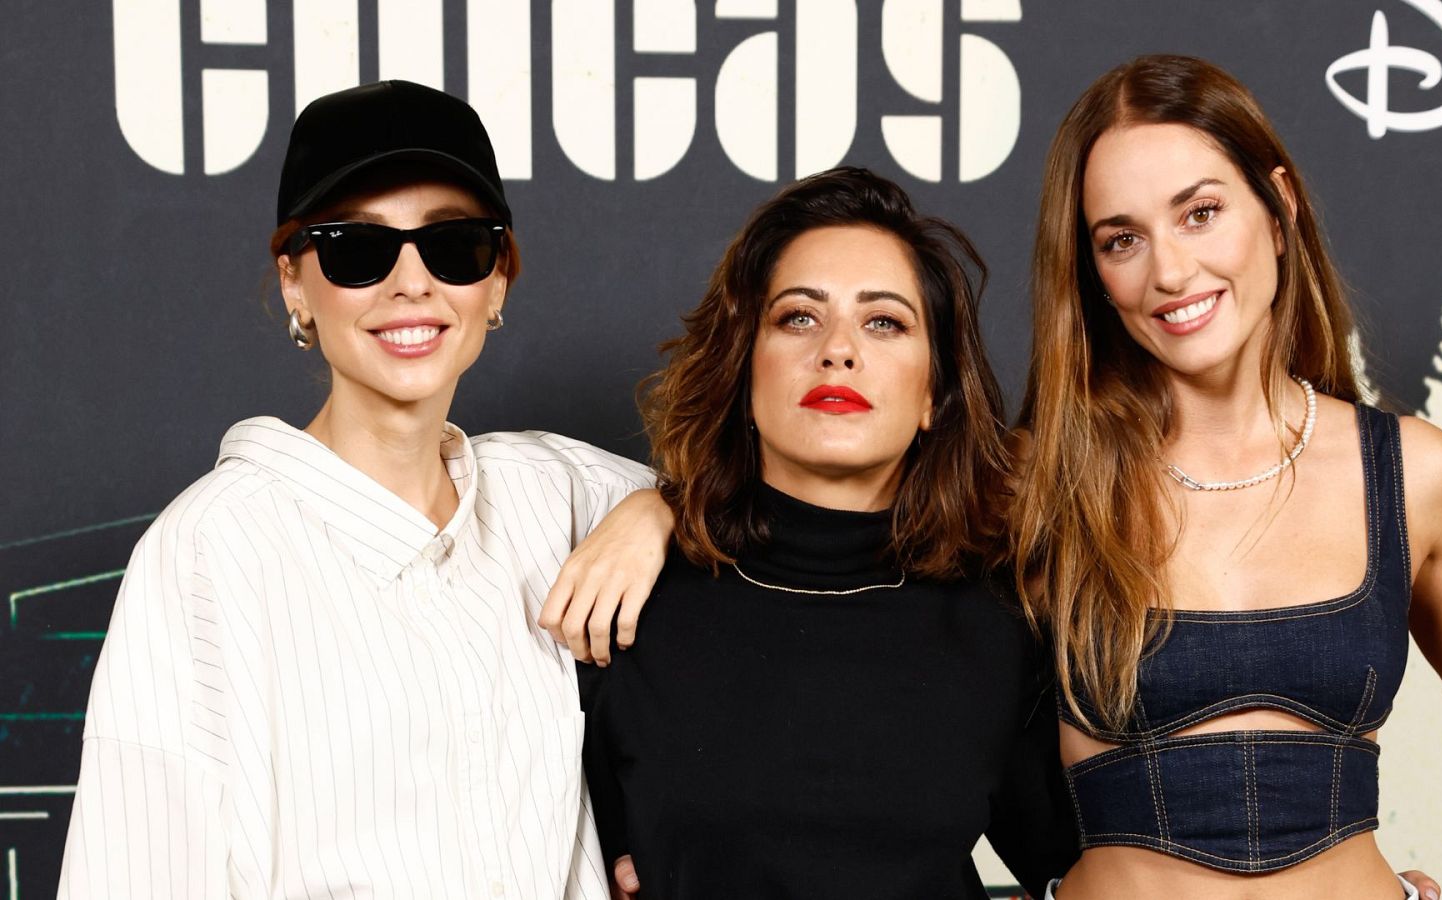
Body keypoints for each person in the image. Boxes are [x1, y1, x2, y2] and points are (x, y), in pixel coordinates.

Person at [57, 80, 658, 899]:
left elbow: (775, 499)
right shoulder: (208, 551)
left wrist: (660, 511)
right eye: (356, 248)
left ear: (498, 281)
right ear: (296, 283)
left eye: (454, 245)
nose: (411, 282)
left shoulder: (558, 492)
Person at [1009, 55, 1442, 899]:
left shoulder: (1414, 474)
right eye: (1122, 239)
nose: (1170, 273)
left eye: (1202, 213)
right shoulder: (1037, 485)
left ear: (1279, 208)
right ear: (1091, 272)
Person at [577, 167, 1077, 898]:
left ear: (934, 394)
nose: (838, 349)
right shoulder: (628, 602)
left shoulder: (998, 620)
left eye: (884, 322)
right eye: (798, 318)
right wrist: (657, 506)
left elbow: (1082, 866)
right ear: (744, 369)